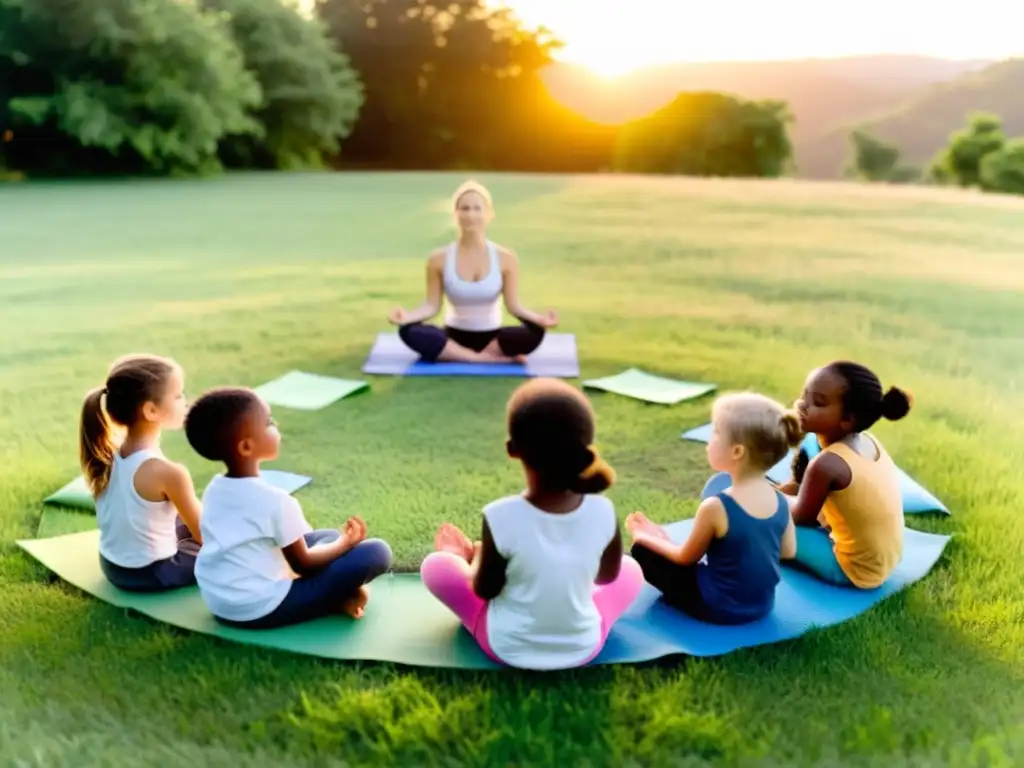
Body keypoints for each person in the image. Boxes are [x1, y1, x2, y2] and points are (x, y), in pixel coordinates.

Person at [419, 378, 644, 670]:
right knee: (632, 571)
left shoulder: (500, 516)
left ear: (512, 449)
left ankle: (457, 556)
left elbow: (485, 590)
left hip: (506, 647)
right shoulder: (603, 510)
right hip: (584, 645)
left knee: (437, 566)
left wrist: (472, 558)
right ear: (585, 449)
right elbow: (605, 578)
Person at [184, 387, 392, 628]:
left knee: (326, 536)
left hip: (220, 601)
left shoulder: (215, 489)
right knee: (376, 552)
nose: (276, 424)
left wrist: (337, 543)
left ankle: (338, 588)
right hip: (260, 609)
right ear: (246, 447)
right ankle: (338, 596)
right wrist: (345, 544)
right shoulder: (275, 501)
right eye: (269, 422)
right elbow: (303, 565)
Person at [626, 393, 800, 624]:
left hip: (717, 608)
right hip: (761, 605)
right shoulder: (781, 501)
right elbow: (788, 552)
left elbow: (685, 558)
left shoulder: (716, 506)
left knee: (641, 551)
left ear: (737, 451)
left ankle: (653, 546)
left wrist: (644, 537)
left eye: (716, 433)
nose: (710, 441)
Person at [388, 180, 559, 364]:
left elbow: (514, 306)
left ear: (489, 214)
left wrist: (539, 319)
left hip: (493, 338)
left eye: (477, 209)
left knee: (536, 331)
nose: (470, 215)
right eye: (465, 208)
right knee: (407, 330)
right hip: (453, 337)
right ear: (455, 214)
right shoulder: (438, 259)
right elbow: (431, 306)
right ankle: (482, 359)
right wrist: (406, 317)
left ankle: (472, 355)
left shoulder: (506, 258)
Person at [780, 361, 912, 589]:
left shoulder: (827, 465)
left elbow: (801, 517)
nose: (802, 404)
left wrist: (768, 499)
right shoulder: (869, 441)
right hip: (885, 561)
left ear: (848, 419)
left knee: (753, 522)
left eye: (818, 402)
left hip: (851, 570)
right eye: (805, 395)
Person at [79, 354, 203, 592]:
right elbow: (207, 537)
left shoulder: (105, 454)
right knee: (228, 549)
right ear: (151, 410)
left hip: (112, 566)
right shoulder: (169, 473)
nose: (184, 401)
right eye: (178, 395)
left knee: (181, 518)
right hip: (152, 573)